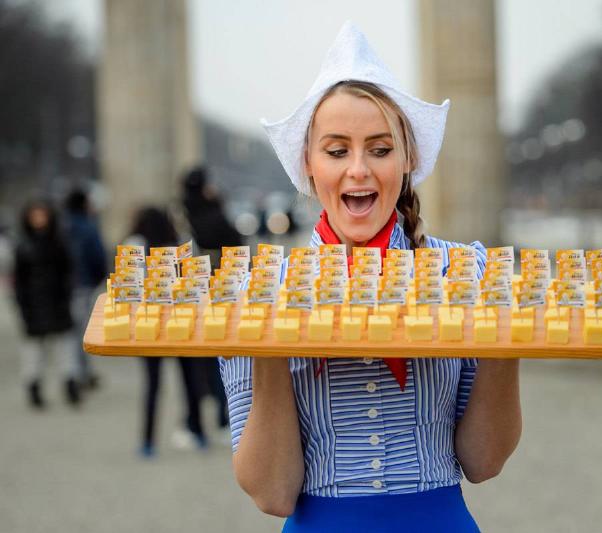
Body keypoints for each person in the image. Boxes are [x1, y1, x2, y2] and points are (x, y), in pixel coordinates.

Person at [218, 22, 521, 532]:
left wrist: (507, 332)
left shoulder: (465, 272)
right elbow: (272, 493)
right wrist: (267, 337)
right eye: (337, 151)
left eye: (380, 150)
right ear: (309, 166)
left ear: (407, 161)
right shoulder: (257, 287)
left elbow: (484, 461)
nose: (358, 169)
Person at [128, 207, 208, 458]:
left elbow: (129, 283)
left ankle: (148, 440)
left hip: (149, 324)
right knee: (189, 380)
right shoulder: (180, 243)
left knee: (152, 385)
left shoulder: (135, 244)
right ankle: (198, 431)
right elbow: (195, 279)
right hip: (180, 320)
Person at [13, 199, 81, 408]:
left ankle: (70, 383)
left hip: (57, 302)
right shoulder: (23, 245)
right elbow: (19, 280)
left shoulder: (59, 242)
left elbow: (68, 272)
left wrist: (67, 296)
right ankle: (34, 386)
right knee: (34, 352)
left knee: (66, 347)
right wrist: (23, 306)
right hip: (34, 304)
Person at [181, 166, 233, 433]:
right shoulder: (215, 212)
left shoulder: (180, 212)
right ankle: (224, 413)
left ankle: (193, 421)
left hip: (188, 289)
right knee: (219, 352)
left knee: (192, 356)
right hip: (219, 286)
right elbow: (237, 243)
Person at [64, 188, 107, 390]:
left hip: (65, 286)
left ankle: (76, 372)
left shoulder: (61, 226)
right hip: (83, 284)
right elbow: (98, 257)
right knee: (83, 332)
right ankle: (80, 374)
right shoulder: (88, 227)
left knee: (71, 332)